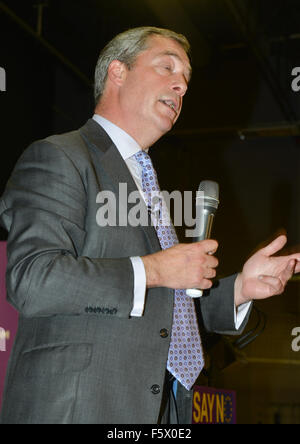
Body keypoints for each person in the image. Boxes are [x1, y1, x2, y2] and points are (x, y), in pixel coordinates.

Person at [0, 26, 299, 425]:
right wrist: (156, 269)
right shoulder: (61, 157)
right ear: (117, 72)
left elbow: (165, 311)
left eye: (186, 81)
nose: (181, 85)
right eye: (167, 67)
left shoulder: (149, 182)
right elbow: (32, 279)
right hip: (80, 407)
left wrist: (241, 288)